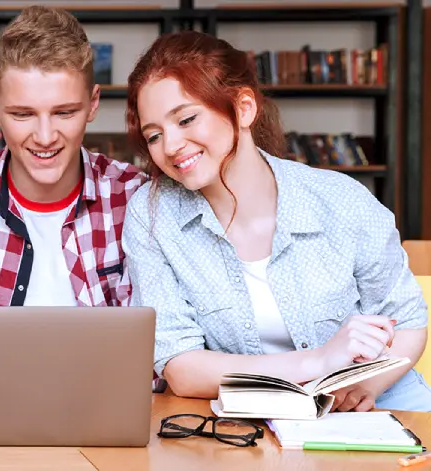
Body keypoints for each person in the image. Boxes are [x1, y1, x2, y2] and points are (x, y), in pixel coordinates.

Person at [123, 30, 431, 411]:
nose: (170, 147)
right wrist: (317, 363)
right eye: (154, 136)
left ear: (243, 108)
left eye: (186, 119)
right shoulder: (152, 214)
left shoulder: (342, 200)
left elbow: (407, 321)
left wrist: (365, 386)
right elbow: (181, 367)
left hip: (378, 401)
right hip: (251, 415)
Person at [0, 5, 146, 308]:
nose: (45, 137)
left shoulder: (134, 197)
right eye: (23, 114)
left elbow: (149, 345)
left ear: (93, 103)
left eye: (64, 112)